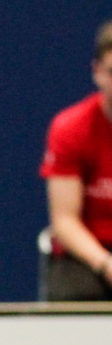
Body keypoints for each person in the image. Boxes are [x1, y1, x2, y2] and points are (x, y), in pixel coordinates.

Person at [40, 20, 112, 300]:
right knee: (78, 295)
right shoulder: (70, 128)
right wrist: (105, 263)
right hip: (86, 256)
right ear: (97, 72)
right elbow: (64, 221)